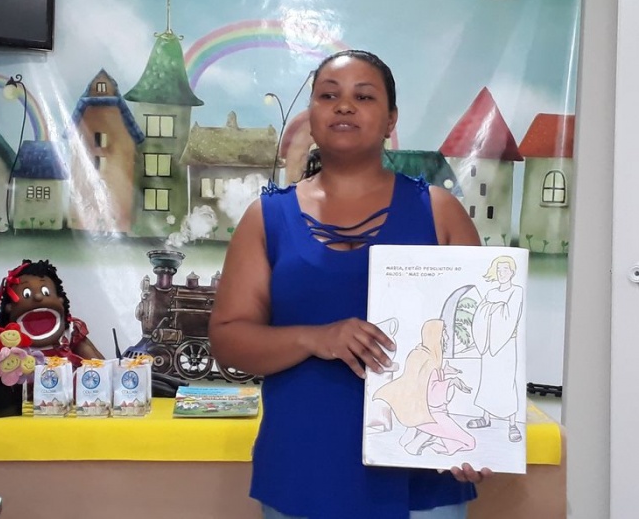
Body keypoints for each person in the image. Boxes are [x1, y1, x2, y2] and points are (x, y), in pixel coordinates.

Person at [209, 49, 490, 519]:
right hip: (302, 468)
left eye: (363, 96)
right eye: (328, 95)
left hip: (420, 472)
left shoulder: (439, 212)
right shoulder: (267, 218)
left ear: (390, 119)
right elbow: (229, 339)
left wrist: (480, 436)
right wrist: (315, 338)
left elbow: (479, 344)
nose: (344, 106)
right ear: (311, 116)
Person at [0, 259, 105, 407]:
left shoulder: (70, 332)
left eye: (46, 292)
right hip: (23, 408)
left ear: (60, 299)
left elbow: (99, 364)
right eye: (26, 294)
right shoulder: (9, 341)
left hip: (66, 406)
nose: (38, 297)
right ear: (9, 308)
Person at [373, 319, 476, 457]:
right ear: (435, 335)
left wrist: (444, 372)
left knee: (447, 436)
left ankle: (415, 434)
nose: (446, 337)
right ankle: (417, 442)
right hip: (431, 415)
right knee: (469, 443)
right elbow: (432, 396)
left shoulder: (419, 354)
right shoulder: (429, 360)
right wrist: (451, 382)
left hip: (418, 411)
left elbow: (423, 381)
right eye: (444, 333)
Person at [467, 256, 524, 442]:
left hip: (506, 344)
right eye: (499, 270)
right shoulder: (491, 292)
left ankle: (512, 424)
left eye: (505, 270)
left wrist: (493, 308)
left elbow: (510, 314)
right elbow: (480, 312)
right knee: (487, 380)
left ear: (512, 272)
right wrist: (494, 308)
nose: (502, 273)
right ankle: (486, 418)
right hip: (488, 343)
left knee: (507, 382)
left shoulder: (517, 291)